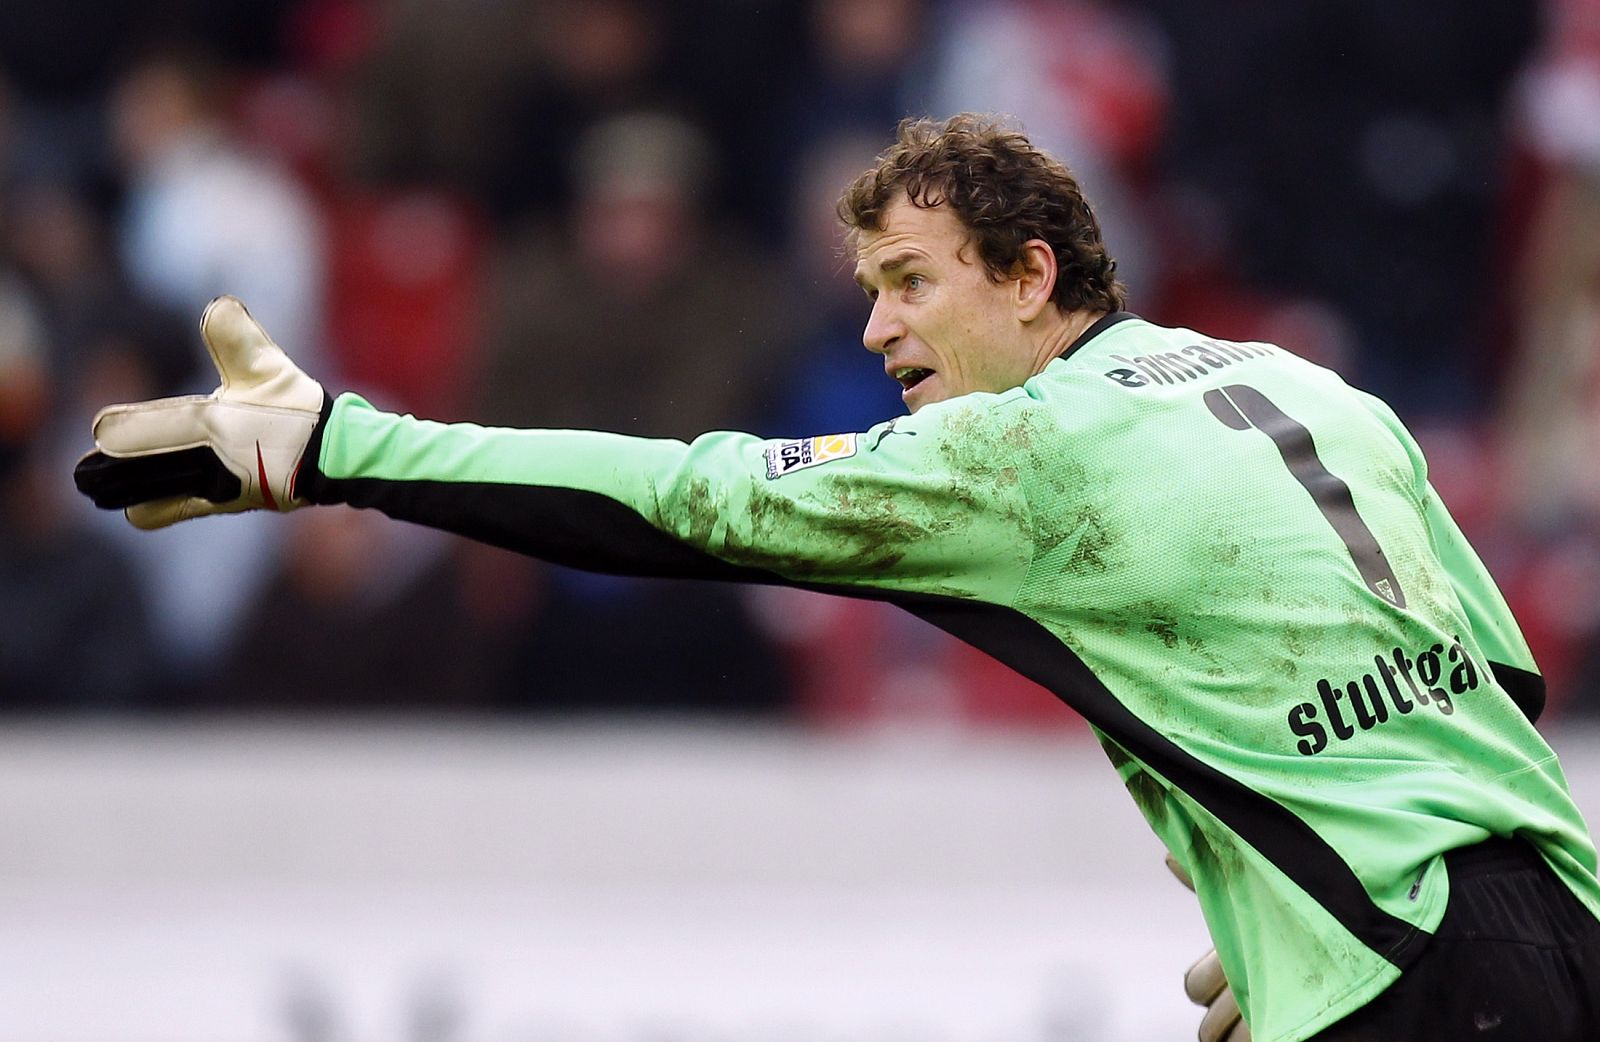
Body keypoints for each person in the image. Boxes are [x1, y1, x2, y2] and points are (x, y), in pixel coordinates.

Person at [74, 114, 1600, 1042]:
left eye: (913, 282)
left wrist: (343, 443)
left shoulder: (1032, 453)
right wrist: (1287, 916)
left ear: (1033, 278)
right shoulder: (1321, 395)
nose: (876, 333)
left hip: (1413, 980)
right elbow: (1492, 689)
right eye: (868, 288)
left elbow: (686, 499)